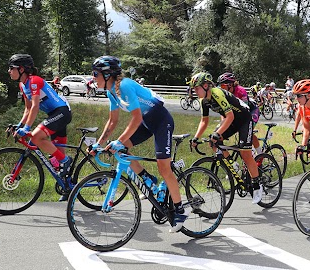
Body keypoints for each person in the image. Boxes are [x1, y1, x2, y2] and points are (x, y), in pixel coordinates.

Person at [90, 56, 189, 231]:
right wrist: (99, 143)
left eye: (95, 74)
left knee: (164, 168)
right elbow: (112, 121)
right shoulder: (110, 92)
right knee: (120, 151)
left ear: (107, 75)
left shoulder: (125, 86)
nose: (92, 78)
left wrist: (119, 141)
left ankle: (180, 210)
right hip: (146, 122)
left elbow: (135, 118)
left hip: (161, 121)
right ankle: (147, 178)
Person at [190, 72, 264, 203]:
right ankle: (233, 164)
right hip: (233, 120)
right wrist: (196, 138)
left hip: (244, 119)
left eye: (196, 88)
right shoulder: (203, 101)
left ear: (206, 86)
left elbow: (230, 116)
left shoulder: (217, 93)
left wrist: (218, 133)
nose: (194, 91)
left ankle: (257, 185)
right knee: (213, 143)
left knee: (245, 154)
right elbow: (204, 121)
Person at [8, 54, 73, 186]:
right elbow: (28, 108)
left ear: (21, 69)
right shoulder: (22, 85)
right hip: (54, 114)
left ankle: (66, 161)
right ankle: (68, 188)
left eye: (11, 68)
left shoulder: (34, 81)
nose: (9, 71)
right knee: (58, 160)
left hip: (61, 112)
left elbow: (35, 106)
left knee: (36, 137)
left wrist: (26, 128)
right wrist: (19, 125)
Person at [217, 72, 262, 154]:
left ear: (230, 84)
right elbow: (224, 112)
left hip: (251, 111)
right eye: (220, 86)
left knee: (249, 132)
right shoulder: (223, 94)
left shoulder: (240, 91)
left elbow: (245, 109)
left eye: (223, 86)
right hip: (238, 114)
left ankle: (260, 154)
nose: (221, 88)